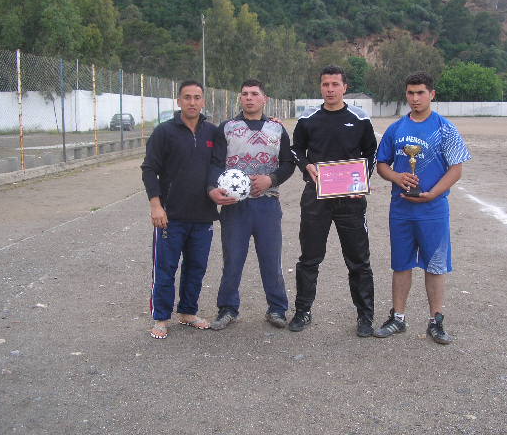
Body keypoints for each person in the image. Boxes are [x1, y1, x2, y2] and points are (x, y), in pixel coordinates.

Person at [374, 71, 471, 344]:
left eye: (420, 93)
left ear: (432, 94)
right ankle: (398, 318)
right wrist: (396, 177)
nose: (415, 98)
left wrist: (432, 194)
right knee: (401, 264)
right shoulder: (396, 129)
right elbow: (382, 164)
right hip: (402, 208)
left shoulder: (445, 128)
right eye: (410, 93)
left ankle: (436, 320)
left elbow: (456, 169)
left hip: (433, 209)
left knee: (435, 265)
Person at [289, 65, 377, 337]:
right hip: (316, 197)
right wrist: (307, 167)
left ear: (344, 87)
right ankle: (303, 311)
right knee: (309, 258)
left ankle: (365, 316)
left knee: (358, 260)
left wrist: (362, 181)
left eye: (335, 85)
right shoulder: (308, 118)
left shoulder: (359, 118)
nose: (330, 89)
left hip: (350, 200)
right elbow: (296, 150)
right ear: (320, 87)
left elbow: (371, 151)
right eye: (325, 84)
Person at [207, 79, 295, 330]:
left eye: (254, 94)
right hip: (235, 206)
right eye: (244, 93)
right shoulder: (227, 128)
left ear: (264, 98)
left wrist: (271, 179)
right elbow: (214, 163)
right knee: (233, 259)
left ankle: (277, 308)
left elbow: (288, 163)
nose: (249, 98)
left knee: (271, 259)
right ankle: (227, 308)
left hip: (267, 204)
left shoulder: (277, 129)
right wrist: (213, 188)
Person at [141, 81, 218, 339]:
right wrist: (156, 205)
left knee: (196, 268)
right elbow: (149, 169)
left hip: (203, 215)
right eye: (187, 97)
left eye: (197, 97)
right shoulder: (164, 132)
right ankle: (161, 318)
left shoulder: (212, 132)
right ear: (178, 101)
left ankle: (187, 312)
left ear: (204, 101)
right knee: (165, 268)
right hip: (170, 217)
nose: (192, 102)